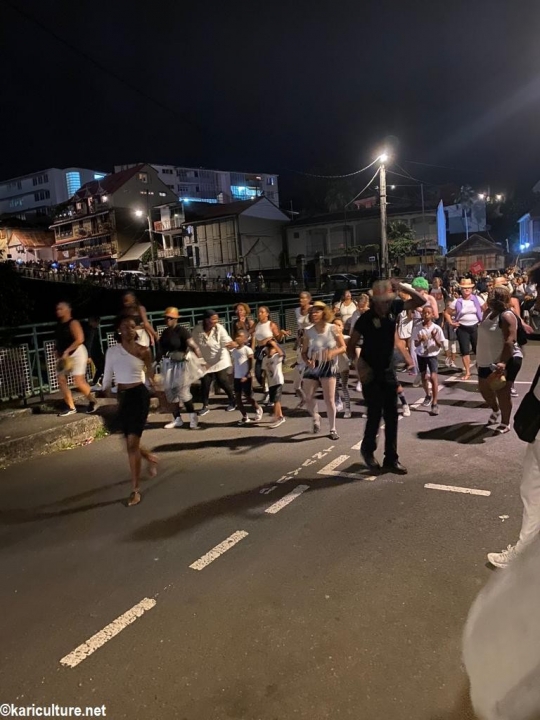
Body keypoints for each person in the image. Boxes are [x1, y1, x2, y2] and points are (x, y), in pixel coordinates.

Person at [347, 279, 425, 474]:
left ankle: (391, 458)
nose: (386, 304)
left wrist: (402, 288)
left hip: (388, 370)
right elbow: (351, 344)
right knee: (374, 414)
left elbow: (420, 301)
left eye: (389, 300)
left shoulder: (394, 308)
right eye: (383, 301)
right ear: (375, 301)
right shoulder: (365, 319)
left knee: (392, 416)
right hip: (370, 371)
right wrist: (358, 366)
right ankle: (368, 450)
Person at [102, 316, 158, 507]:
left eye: (133, 326)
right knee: (130, 443)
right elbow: (107, 378)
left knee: (132, 444)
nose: (129, 329)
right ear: (119, 330)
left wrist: (159, 391)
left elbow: (150, 376)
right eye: (125, 326)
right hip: (123, 397)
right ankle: (150, 457)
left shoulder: (144, 351)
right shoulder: (112, 352)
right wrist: (109, 397)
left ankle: (135, 490)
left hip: (139, 397)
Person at [476, 286, 523, 434]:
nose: (489, 297)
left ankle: (505, 422)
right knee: (484, 388)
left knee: (503, 392)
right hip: (486, 358)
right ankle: (495, 410)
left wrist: (502, 362)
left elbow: (510, 341)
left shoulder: (507, 316)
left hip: (506, 358)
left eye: (492, 295)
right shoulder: (488, 312)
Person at [301, 301, 347, 440]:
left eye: (317, 311)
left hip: (328, 366)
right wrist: (307, 361)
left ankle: (332, 429)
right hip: (313, 365)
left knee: (329, 400)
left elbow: (343, 347)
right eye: (312, 312)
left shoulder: (333, 329)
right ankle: (316, 416)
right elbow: (304, 352)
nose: (314, 314)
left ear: (324, 312)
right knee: (308, 397)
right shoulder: (308, 331)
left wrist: (333, 353)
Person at [157, 307, 204, 430]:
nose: (167, 320)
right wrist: (154, 362)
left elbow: (193, 345)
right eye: (166, 318)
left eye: (170, 318)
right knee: (170, 391)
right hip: (169, 363)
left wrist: (201, 360)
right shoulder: (165, 333)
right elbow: (161, 349)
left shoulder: (181, 331)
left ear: (175, 319)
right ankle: (177, 418)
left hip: (182, 363)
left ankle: (193, 418)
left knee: (182, 391)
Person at [55, 301, 97, 417]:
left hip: (77, 352)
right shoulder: (59, 325)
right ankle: (71, 406)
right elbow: (59, 340)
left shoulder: (73, 323)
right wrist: (57, 351)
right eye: (57, 309)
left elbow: (80, 339)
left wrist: (67, 351)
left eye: (61, 309)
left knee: (78, 381)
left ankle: (92, 400)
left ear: (68, 310)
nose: (58, 311)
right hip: (64, 355)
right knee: (61, 379)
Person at [193, 309, 236, 416]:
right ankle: (205, 406)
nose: (216, 321)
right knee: (205, 383)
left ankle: (233, 400)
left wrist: (231, 344)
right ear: (206, 320)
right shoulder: (198, 330)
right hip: (206, 360)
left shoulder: (219, 328)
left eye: (217, 319)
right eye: (213, 319)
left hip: (220, 358)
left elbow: (226, 340)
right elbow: (193, 344)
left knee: (222, 380)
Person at [444, 278, 483, 380]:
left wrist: (483, 321)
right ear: (461, 290)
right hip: (462, 328)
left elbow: (486, 309)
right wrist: (451, 322)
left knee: (478, 350)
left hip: (475, 326)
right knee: (465, 351)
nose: (467, 290)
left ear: (472, 289)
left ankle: (481, 370)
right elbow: (447, 313)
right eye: (464, 288)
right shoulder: (457, 302)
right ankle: (467, 372)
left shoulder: (477, 299)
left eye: (469, 288)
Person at [411, 305, 445, 415]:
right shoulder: (417, 328)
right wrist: (420, 340)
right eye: (424, 313)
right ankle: (428, 394)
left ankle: (434, 403)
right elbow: (415, 344)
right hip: (421, 354)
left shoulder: (436, 328)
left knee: (434, 377)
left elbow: (440, 345)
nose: (426, 315)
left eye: (428, 313)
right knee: (423, 376)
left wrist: (434, 337)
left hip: (432, 355)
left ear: (432, 315)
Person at [231, 330, 263, 426]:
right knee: (237, 397)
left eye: (240, 336)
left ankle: (258, 408)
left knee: (248, 396)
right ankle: (245, 416)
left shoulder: (247, 350)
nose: (237, 338)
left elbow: (250, 363)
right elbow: (234, 364)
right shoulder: (234, 351)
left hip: (246, 376)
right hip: (237, 377)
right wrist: (232, 375)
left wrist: (248, 374)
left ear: (245, 339)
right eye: (237, 336)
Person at [293, 291, 313, 408]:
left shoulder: (313, 310)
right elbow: (299, 328)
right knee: (299, 371)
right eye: (300, 298)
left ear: (309, 299)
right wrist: (296, 342)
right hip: (302, 341)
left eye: (304, 298)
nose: (301, 300)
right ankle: (303, 397)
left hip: (312, 341)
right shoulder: (297, 311)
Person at [262, 340, 286, 428]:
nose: (269, 350)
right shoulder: (265, 359)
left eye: (271, 348)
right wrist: (264, 384)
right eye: (268, 348)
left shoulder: (276, 357)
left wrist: (274, 345)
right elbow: (264, 372)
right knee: (274, 400)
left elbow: (281, 354)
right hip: (271, 382)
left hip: (278, 381)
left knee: (276, 400)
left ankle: (278, 417)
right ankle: (280, 415)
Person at [332, 317, 352, 418]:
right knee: (334, 387)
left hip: (343, 363)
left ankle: (348, 409)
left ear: (343, 326)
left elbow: (347, 350)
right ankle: (337, 402)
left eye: (339, 325)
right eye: (335, 325)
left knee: (344, 386)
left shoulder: (347, 338)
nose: (337, 327)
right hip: (334, 364)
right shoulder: (330, 338)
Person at [83, 315, 105, 391]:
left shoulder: (91, 329)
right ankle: (96, 382)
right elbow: (89, 342)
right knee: (102, 366)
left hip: (95, 351)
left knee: (101, 367)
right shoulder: (91, 330)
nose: (98, 324)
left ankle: (96, 382)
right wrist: (88, 355)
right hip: (94, 351)